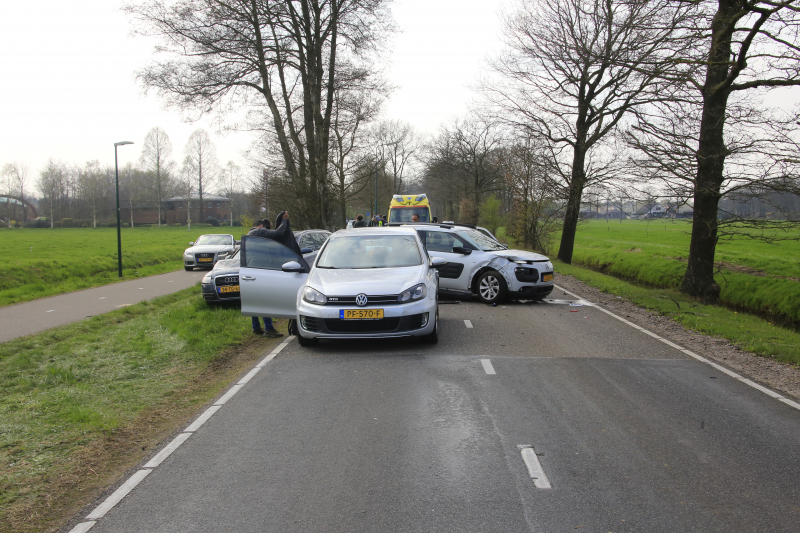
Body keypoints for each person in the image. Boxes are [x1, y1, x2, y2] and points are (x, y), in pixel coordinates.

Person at [245, 214, 295, 338]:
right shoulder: (260, 231)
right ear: (261, 226)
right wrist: (283, 220)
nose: (267, 230)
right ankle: (269, 328)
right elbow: (278, 233)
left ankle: (256, 327)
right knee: (264, 299)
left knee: (254, 300)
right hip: (260, 270)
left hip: (250, 270)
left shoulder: (248, 235)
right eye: (267, 228)